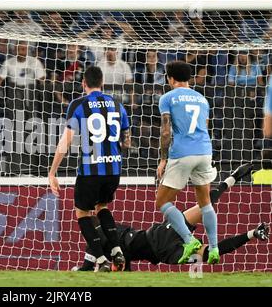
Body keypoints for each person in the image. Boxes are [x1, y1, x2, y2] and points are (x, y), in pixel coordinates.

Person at [73, 163, 270, 271]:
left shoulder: (98, 241)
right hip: (161, 240)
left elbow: (88, 267)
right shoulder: (109, 233)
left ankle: (234, 184)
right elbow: (116, 264)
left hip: (161, 245)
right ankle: (234, 183)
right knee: (206, 219)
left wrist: (82, 270)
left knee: (208, 249)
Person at [49, 66, 131, 272]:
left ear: (83, 83)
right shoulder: (117, 103)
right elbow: (127, 140)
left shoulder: (78, 104)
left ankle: (101, 260)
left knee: (83, 213)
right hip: (113, 169)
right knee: (102, 207)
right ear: (102, 83)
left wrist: (52, 172)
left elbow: (65, 143)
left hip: (90, 170)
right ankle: (116, 250)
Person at [157, 60, 219, 264]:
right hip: (204, 151)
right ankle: (215, 248)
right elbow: (205, 126)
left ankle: (189, 239)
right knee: (205, 203)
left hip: (183, 153)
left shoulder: (167, 98)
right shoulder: (202, 99)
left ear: (170, 78)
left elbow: (166, 131)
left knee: (163, 202)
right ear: (189, 78)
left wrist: (163, 158)